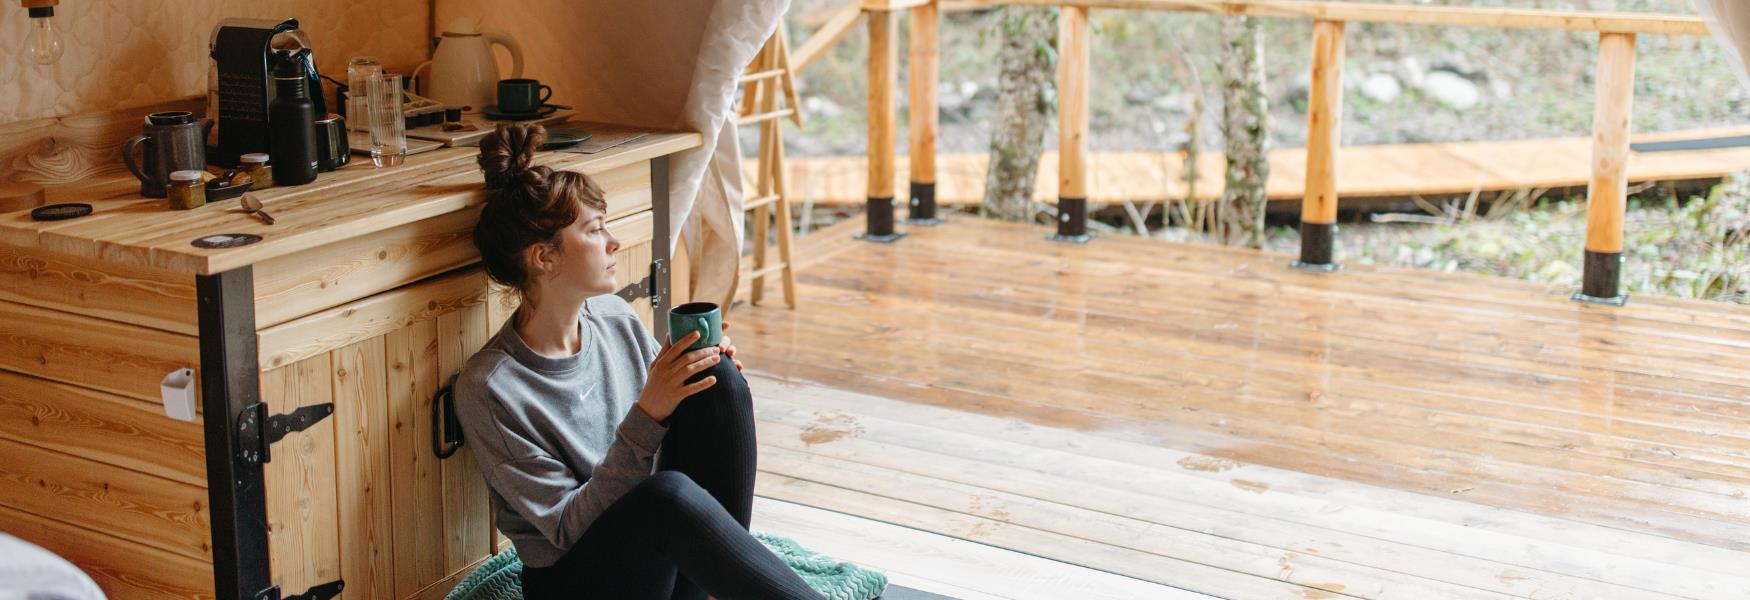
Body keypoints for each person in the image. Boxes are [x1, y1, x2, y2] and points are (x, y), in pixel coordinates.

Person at [454, 123, 821, 600]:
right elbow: (566, 529)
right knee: (663, 496)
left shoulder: (612, 318)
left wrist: (691, 374)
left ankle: (717, 586)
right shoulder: (491, 388)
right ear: (544, 257)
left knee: (718, 382)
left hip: (657, 564)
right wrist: (649, 412)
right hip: (577, 582)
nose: (613, 243)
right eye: (594, 230)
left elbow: (669, 429)